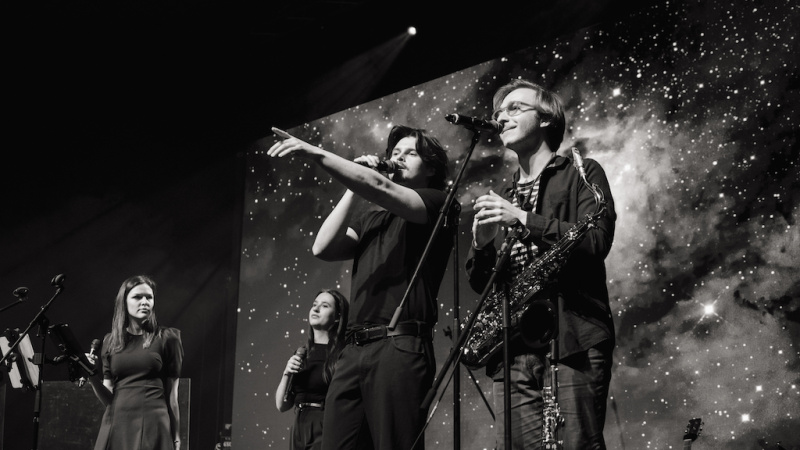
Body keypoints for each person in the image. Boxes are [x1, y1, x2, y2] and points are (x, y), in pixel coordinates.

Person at [267, 124, 453, 450]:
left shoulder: (438, 202)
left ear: (432, 167)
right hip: (354, 350)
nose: (399, 158)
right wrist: (352, 190)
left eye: (410, 153)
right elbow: (322, 247)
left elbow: (378, 186)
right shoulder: (371, 220)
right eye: (395, 153)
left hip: (399, 344)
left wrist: (314, 152)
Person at [466, 79, 616, 449]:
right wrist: (481, 246)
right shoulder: (504, 195)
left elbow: (595, 242)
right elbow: (482, 285)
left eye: (515, 108)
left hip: (572, 336)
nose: (501, 117)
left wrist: (522, 219)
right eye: (498, 112)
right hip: (513, 346)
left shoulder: (582, 172)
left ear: (546, 119)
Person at [85, 275, 184, 450]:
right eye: (137, 297)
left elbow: (172, 396)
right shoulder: (110, 341)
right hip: (115, 423)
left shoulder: (168, 338)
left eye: (149, 297)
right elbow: (108, 399)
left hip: (153, 424)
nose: (145, 302)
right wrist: (91, 374)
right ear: (124, 302)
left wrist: (176, 438)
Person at [275, 289, 349, 450]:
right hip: (299, 426)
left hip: (325, 425)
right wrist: (286, 373)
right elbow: (282, 405)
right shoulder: (302, 353)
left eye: (324, 306)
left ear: (337, 317)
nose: (316, 309)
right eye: (314, 304)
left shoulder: (343, 354)